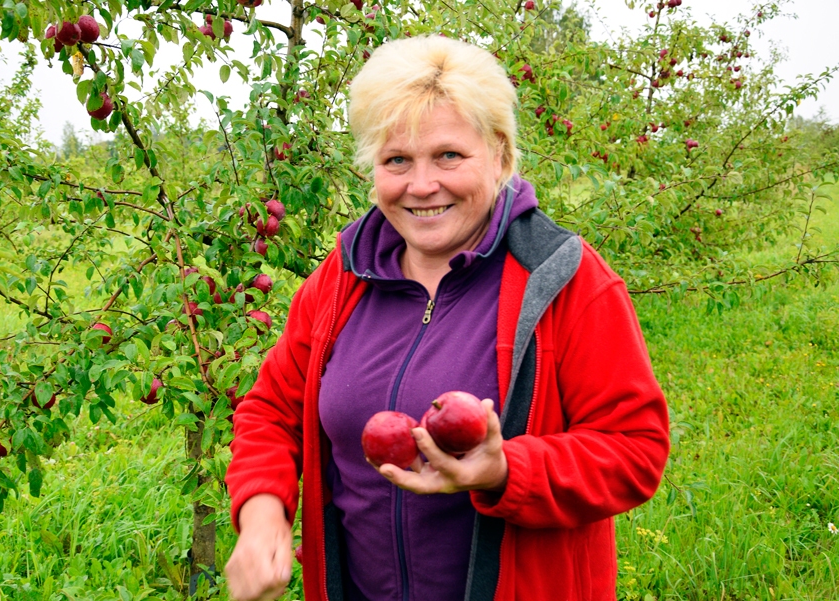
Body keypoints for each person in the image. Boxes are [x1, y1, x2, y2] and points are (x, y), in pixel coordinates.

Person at [224, 34, 670, 601]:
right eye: (397, 161)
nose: (421, 185)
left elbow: (635, 448)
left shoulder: (562, 278)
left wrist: (505, 468)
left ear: (501, 156)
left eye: (449, 156)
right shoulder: (342, 277)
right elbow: (271, 409)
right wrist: (263, 512)